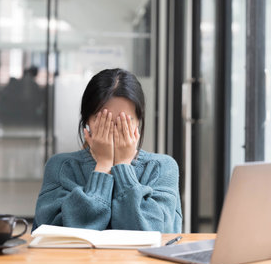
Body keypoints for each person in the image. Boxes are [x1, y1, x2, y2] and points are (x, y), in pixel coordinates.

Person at [32, 68, 182, 233]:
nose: (113, 129)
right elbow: (58, 233)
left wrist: (123, 166)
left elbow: (153, 231)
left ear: (138, 123)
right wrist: (103, 166)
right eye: (104, 120)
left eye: (123, 121)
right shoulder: (61, 167)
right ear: (87, 122)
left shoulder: (162, 167)